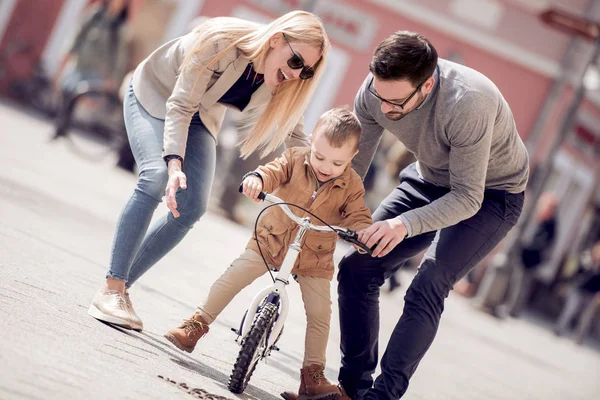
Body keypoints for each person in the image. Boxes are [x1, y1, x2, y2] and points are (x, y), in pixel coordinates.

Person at [87, 11, 330, 331]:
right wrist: (174, 164)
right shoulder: (220, 41)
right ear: (275, 40)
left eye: (307, 71)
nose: (298, 74)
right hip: (156, 93)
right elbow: (180, 104)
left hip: (201, 115)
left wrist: (321, 188)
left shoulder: (284, 79)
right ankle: (112, 288)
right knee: (156, 177)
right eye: (296, 61)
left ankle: (117, 289)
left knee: (192, 207)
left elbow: (295, 136)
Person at [336, 31, 529, 399]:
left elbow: (468, 197)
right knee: (358, 266)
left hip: (491, 195)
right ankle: (352, 388)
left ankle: (383, 395)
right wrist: (340, 210)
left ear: (427, 86)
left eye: (396, 102)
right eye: (380, 96)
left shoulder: (469, 102)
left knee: (429, 281)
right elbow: (355, 165)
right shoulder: (377, 89)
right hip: (430, 177)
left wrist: (404, 224)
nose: (386, 108)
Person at [163, 108, 373, 400]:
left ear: (353, 156)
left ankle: (312, 376)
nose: (326, 166)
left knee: (320, 313)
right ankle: (196, 326)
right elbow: (272, 171)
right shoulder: (295, 159)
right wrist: (257, 180)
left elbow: (358, 216)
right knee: (233, 276)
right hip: (271, 240)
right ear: (311, 141)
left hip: (314, 257)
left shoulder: (351, 185)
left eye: (338, 162)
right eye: (320, 156)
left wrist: (363, 233)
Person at [496, 192, 558, 318]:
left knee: (521, 285)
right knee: (517, 282)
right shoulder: (539, 219)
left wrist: (528, 247)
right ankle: (510, 307)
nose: (541, 208)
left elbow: (542, 243)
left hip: (531, 258)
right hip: (525, 255)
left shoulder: (550, 224)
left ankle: (512, 310)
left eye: (544, 205)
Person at [55, 0, 131, 97]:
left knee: (81, 107)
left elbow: (120, 56)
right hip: (79, 65)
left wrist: (114, 79)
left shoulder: (120, 27)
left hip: (96, 75)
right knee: (64, 95)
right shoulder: (95, 15)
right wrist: (66, 55)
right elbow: (78, 35)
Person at [554, 241, 600, 344]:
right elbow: (575, 271)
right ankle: (559, 329)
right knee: (570, 309)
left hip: (592, 292)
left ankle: (579, 337)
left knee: (586, 316)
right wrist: (565, 282)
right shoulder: (586, 258)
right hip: (578, 288)